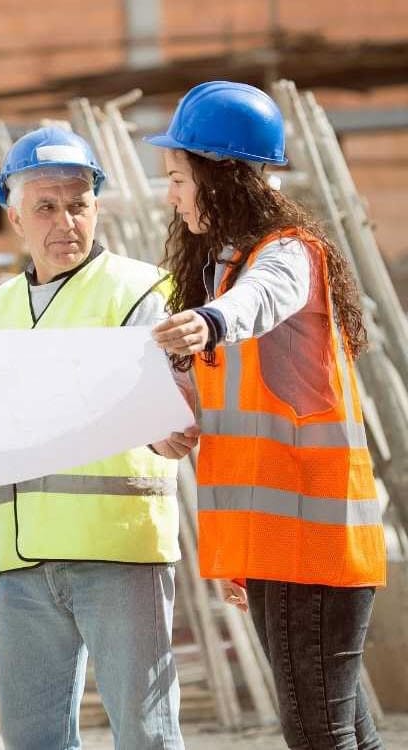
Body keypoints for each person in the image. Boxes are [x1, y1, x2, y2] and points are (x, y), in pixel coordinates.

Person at [148, 80, 386, 750]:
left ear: (220, 178)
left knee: (319, 737)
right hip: (285, 546)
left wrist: (211, 322)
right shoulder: (221, 268)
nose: (171, 193)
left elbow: (263, 299)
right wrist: (180, 419)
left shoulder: (284, 256)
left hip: (310, 546)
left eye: (177, 177)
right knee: (341, 736)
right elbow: (239, 399)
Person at [0, 127, 194, 750]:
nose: (65, 220)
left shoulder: (145, 290)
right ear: (14, 215)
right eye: (45, 206)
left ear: (98, 207)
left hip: (119, 551)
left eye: (79, 203)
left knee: (145, 735)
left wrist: (171, 425)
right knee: (33, 740)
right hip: (21, 560)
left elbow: (173, 402)